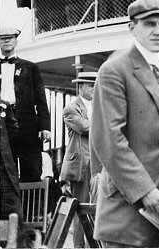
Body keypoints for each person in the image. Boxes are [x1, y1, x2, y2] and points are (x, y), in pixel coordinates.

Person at [91, 0, 159, 247]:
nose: (158, 31)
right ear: (132, 28)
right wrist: (143, 189)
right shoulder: (114, 70)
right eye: (150, 24)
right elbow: (109, 140)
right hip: (126, 211)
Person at [0, 27, 51, 182]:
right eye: (3, 38)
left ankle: (32, 206)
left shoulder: (30, 67)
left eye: (10, 38)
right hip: (2, 125)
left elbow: (41, 99)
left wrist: (45, 127)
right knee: (6, 170)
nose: (7, 41)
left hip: (28, 126)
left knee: (32, 169)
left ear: (16, 40)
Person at [60, 71, 97, 249]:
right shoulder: (70, 108)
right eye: (91, 85)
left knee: (97, 206)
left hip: (99, 164)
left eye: (96, 85)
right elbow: (84, 127)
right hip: (82, 165)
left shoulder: (98, 106)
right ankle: (79, 246)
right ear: (80, 87)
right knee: (80, 208)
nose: (94, 89)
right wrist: (105, 121)